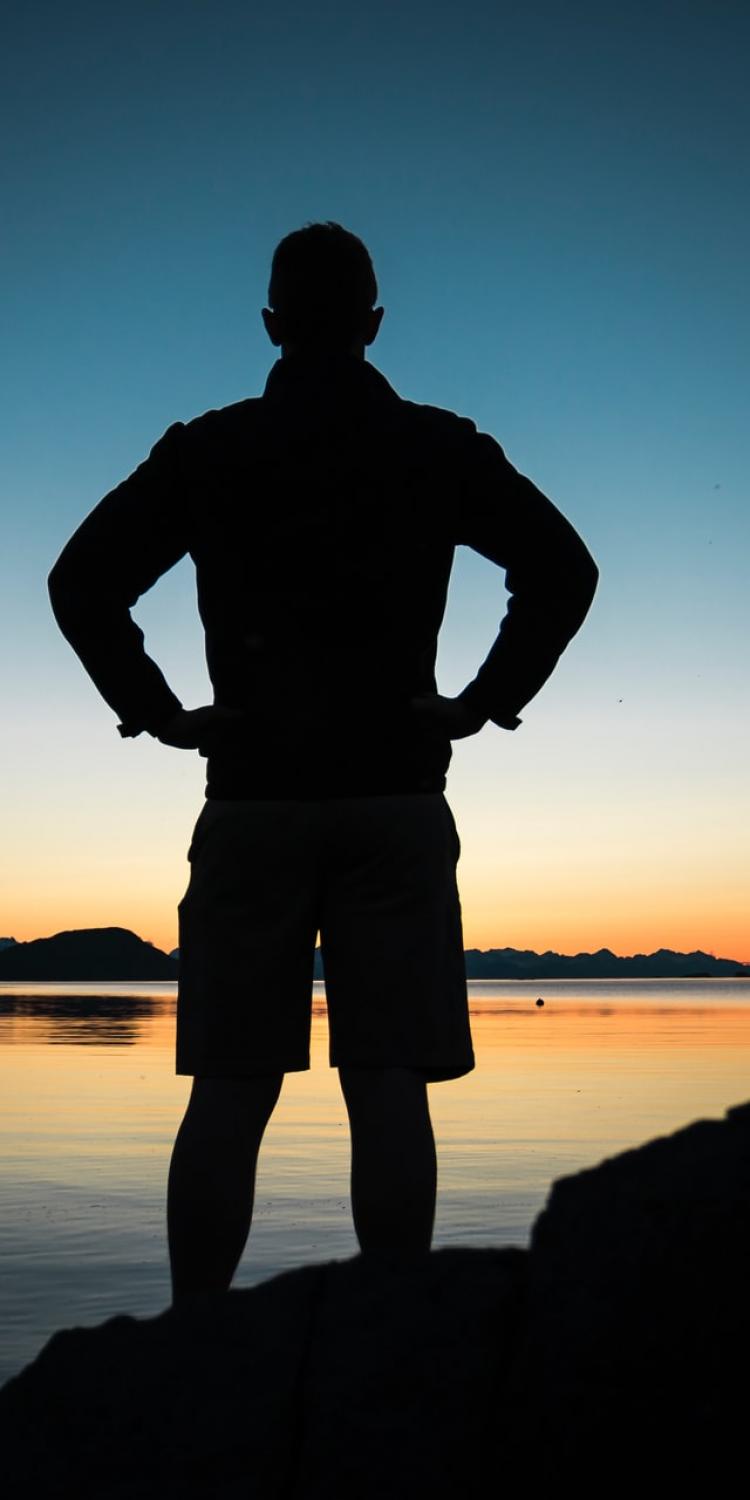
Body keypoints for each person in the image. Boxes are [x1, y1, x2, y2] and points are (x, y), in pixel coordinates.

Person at [48, 221, 598, 1307]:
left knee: (229, 1087)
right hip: (395, 794)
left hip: (253, 799)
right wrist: (482, 705)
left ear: (270, 326)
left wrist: (158, 714)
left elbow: (82, 583)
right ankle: (393, 1349)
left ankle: (195, 1347)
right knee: (388, 1076)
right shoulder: (436, 447)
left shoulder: (209, 451)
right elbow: (563, 570)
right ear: (374, 325)